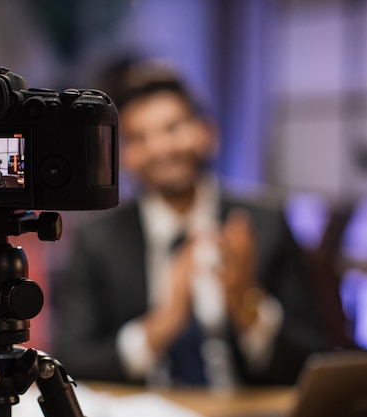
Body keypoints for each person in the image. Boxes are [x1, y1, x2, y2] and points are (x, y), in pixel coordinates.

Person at [51, 61, 329, 387]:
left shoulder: (264, 226)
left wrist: (246, 302)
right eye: (139, 137)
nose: (160, 148)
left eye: (173, 128)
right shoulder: (99, 238)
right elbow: (70, 362)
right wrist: (162, 324)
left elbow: (315, 357)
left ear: (207, 133)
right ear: (123, 156)